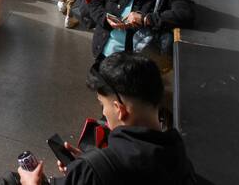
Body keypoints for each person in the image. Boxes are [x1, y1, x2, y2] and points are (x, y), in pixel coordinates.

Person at [17, 52, 198, 185]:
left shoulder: (92, 172)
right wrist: (94, 161)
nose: (103, 113)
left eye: (103, 105)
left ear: (120, 110)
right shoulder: (178, 153)